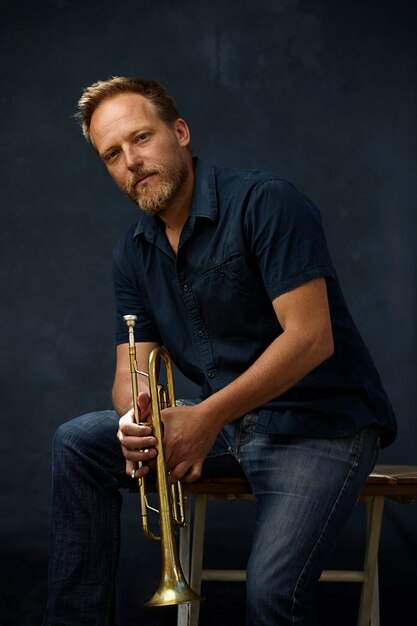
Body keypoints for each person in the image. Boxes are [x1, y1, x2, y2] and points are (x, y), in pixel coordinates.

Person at [43, 76, 397, 626]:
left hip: (321, 427)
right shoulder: (132, 252)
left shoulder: (265, 201)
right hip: (232, 426)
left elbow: (310, 338)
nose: (131, 161)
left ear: (179, 132)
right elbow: (131, 367)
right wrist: (137, 416)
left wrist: (205, 416)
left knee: (270, 596)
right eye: (112, 154)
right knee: (78, 441)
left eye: (141, 138)